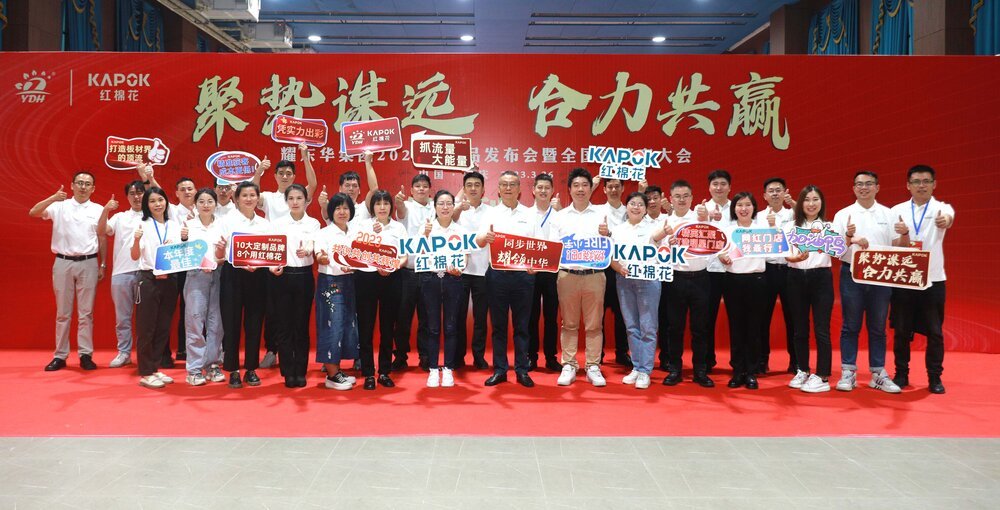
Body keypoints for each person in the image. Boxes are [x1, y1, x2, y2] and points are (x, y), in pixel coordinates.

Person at [831, 170, 901, 393]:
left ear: (877, 187)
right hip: (852, 274)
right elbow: (834, 250)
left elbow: (898, 246)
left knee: (878, 326)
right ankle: (848, 371)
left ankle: (878, 373)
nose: (864, 188)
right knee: (850, 325)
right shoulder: (843, 214)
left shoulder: (889, 214)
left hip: (881, 276)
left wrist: (905, 234)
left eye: (869, 184)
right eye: (859, 184)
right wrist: (849, 237)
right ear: (853, 188)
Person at [30, 171, 106, 372]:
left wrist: (103, 264)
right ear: (72, 185)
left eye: (87, 184)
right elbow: (33, 212)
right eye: (79, 183)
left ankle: (85, 354)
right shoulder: (59, 206)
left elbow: (102, 237)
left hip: (89, 262)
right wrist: (53, 197)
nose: (83, 187)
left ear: (93, 188)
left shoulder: (98, 209)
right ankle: (60, 355)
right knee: (63, 313)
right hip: (63, 262)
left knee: (86, 313)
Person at [889, 165, 954, 394]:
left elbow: (948, 218)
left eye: (926, 181)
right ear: (908, 185)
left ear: (934, 184)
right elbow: (892, 244)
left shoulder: (941, 208)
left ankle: (935, 377)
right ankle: (901, 374)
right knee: (901, 331)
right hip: (904, 280)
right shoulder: (896, 211)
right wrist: (904, 235)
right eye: (916, 181)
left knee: (935, 333)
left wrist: (945, 220)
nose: (921, 185)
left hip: (933, 280)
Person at [252, 145, 317, 370]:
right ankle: (273, 350)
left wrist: (305, 157)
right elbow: (252, 193)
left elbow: (312, 184)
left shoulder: (303, 203)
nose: (285, 176)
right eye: (281, 173)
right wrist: (259, 171)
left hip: (299, 266)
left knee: (299, 319)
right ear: (275, 175)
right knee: (273, 313)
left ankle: (297, 362)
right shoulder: (269, 198)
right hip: (275, 261)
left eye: (289, 173)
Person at [477, 171, 539, 387]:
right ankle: (500, 370)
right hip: (497, 276)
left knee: (522, 326)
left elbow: (539, 244)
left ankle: (522, 370)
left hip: (523, 277)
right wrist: (485, 238)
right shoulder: (490, 213)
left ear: (520, 189)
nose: (508, 188)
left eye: (512, 184)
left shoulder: (530, 214)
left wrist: (535, 265)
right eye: (504, 184)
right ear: (499, 189)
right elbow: (478, 241)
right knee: (499, 326)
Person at [550, 168, 608, 387]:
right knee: (569, 323)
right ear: (569, 189)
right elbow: (553, 247)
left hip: (595, 275)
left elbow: (615, 243)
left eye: (585, 185)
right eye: (576, 185)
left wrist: (608, 234)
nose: (580, 189)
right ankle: (569, 364)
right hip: (568, 275)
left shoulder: (602, 214)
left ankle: (593, 365)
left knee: (594, 324)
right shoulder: (560, 216)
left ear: (591, 188)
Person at [608, 192, 671, 390]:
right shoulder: (617, 230)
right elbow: (612, 258)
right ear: (626, 206)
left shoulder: (654, 228)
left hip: (648, 281)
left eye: (640, 204)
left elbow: (660, 241)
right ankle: (636, 366)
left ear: (645, 209)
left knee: (648, 327)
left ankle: (645, 370)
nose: (636, 207)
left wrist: (666, 233)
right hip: (624, 281)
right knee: (631, 326)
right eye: (632, 203)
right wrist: (619, 268)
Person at [215, 181, 271, 389]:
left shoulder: (265, 224)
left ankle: (251, 368)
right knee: (231, 323)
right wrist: (224, 251)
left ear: (258, 198)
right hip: (233, 275)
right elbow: (218, 255)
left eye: (252, 195)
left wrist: (268, 265)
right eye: (244, 195)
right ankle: (233, 370)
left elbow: (270, 251)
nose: (249, 199)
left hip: (258, 276)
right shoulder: (226, 221)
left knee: (254, 323)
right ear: (236, 199)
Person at [353, 190, 407, 390]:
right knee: (366, 326)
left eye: (386, 203)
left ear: (391, 206)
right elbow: (357, 253)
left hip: (391, 278)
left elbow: (404, 256)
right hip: (366, 279)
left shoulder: (399, 227)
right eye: (378, 203)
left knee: (387, 327)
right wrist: (373, 236)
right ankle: (368, 373)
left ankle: (384, 371)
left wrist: (393, 266)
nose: (382, 207)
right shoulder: (363, 226)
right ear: (372, 207)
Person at [663, 180, 713, 387]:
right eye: (677, 196)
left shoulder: (700, 219)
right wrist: (668, 243)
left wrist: (706, 218)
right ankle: (675, 369)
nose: (681, 200)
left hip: (701, 278)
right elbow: (657, 251)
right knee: (674, 327)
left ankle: (700, 370)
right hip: (675, 279)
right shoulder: (665, 222)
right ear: (671, 199)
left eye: (685, 196)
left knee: (700, 328)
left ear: (692, 198)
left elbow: (714, 241)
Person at [269, 184, 321, 388]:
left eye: (299, 198)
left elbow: (313, 243)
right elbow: (272, 249)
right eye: (291, 198)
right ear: (286, 201)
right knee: (284, 326)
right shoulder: (277, 224)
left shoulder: (314, 223)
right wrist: (272, 267)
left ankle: (300, 370)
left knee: (301, 326)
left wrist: (308, 249)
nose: (295, 202)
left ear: (306, 200)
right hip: (282, 277)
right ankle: (288, 371)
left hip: (304, 277)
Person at [130, 187, 182, 389]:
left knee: (163, 326)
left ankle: (154, 367)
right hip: (149, 279)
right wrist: (136, 239)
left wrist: (182, 241)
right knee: (146, 327)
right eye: (152, 201)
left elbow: (181, 254)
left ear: (166, 202)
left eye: (160, 200)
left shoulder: (174, 225)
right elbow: (135, 256)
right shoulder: (142, 225)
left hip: (170, 280)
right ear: (147, 205)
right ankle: (145, 372)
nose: (157, 204)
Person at [785, 185, 834, 394]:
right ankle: (803, 369)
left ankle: (822, 375)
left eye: (815, 199)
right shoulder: (790, 227)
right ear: (800, 203)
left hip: (821, 278)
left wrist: (852, 238)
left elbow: (840, 250)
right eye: (807, 199)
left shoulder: (829, 226)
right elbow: (784, 254)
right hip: (795, 277)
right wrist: (794, 258)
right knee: (799, 329)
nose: (811, 204)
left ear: (822, 203)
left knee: (821, 329)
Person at [718, 192, 766, 390]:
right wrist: (722, 257)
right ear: (734, 208)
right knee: (736, 327)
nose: (744, 209)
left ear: (754, 208)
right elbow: (720, 252)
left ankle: (751, 372)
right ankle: (738, 371)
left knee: (754, 328)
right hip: (733, 281)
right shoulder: (728, 230)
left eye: (748, 205)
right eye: (739, 205)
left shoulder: (763, 229)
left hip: (757, 281)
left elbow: (775, 252)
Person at [420, 190, 469, 388]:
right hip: (430, 280)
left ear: (453, 206)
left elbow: (465, 257)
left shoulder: (461, 230)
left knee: (450, 326)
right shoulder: (426, 228)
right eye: (441, 203)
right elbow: (418, 253)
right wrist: (425, 234)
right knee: (432, 327)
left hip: (453, 280)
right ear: (435, 207)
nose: (445, 207)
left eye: (449, 203)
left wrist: (460, 269)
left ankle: (448, 368)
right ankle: (433, 369)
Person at [313, 193, 361, 390]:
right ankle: (332, 375)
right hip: (331, 283)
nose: (342, 212)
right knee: (332, 324)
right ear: (331, 211)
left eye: (346, 208)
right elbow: (320, 256)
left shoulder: (356, 233)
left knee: (347, 324)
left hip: (351, 282)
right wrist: (322, 258)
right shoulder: (323, 233)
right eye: (338, 208)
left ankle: (337, 370)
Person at [98, 180, 145, 368]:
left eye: (140, 192)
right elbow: (101, 230)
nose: (137, 197)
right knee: (122, 318)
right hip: (121, 272)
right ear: (127, 196)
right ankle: (124, 353)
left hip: (146, 272)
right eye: (132, 193)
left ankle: (145, 354)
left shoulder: (153, 216)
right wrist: (105, 210)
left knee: (146, 318)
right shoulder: (120, 217)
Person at [181, 188, 225, 386]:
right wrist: (183, 239)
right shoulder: (187, 226)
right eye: (201, 201)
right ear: (195, 204)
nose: (206, 205)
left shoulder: (223, 225)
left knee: (217, 323)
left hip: (219, 274)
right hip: (196, 276)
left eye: (210, 201)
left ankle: (213, 364)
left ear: (216, 204)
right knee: (195, 321)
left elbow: (227, 253)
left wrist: (219, 258)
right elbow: (179, 255)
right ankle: (194, 369)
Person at [755, 177, 798, 374]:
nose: (774, 194)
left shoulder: (794, 214)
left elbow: (809, 222)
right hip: (767, 270)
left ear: (785, 192)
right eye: (770, 191)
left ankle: (796, 361)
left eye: (778, 190)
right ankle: (762, 360)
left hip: (790, 270)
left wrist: (794, 205)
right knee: (762, 318)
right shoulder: (757, 217)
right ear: (764, 195)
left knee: (793, 318)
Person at [392, 174, 435, 371]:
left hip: (429, 271)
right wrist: (399, 202)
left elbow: (456, 202)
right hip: (407, 272)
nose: (421, 189)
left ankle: (425, 356)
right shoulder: (406, 206)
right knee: (402, 317)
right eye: (417, 186)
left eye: (425, 186)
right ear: (411, 190)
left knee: (426, 318)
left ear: (430, 190)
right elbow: (400, 210)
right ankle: (400, 356)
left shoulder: (436, 206)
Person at [452, 171, 492, 370]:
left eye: (477, 185)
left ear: (483, 189)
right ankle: (458, 357)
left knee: (480, 318)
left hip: (484, 271)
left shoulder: (492, 211)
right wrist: (458, 207)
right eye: (469, 185)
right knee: (458, 316)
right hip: (460, 271)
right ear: (464, 188)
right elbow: (447, 221)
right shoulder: (457, 209)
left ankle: (478, 356)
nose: (473, 188)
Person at [592, 177, 630, 369]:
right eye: (610, 187)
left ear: (623, 188)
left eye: (617, 186)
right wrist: (592, 185)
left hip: (623, 267)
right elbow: (582, 200)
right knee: (597, 314)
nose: (614, 190)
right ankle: (597, 354)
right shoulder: (597, 211)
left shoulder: (630, 210)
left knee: (622, 313)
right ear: (604, 189)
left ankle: (622, 353)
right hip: (601, 267)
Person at [529, 173, 562, 372]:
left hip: (553, 272)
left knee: (551, 318)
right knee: (531, 317)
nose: (543, 191)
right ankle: (531, 357)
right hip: (530, 272)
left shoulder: (560, 216)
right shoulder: (525, 214)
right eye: (539, 187)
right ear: (533, 190)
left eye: (547, 188)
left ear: (552, 191)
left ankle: (551, 357)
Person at [702, 170, 732, 373]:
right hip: (709, 270)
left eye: (723, 184)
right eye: (715, 184)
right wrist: (706, 219)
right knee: (706, 318)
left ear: (729, 187)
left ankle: (739, 363)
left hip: (734, 269)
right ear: (709, 187)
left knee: (737, 318)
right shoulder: (701, 209)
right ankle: (706, 360)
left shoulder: (739, 207)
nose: (719, 187)